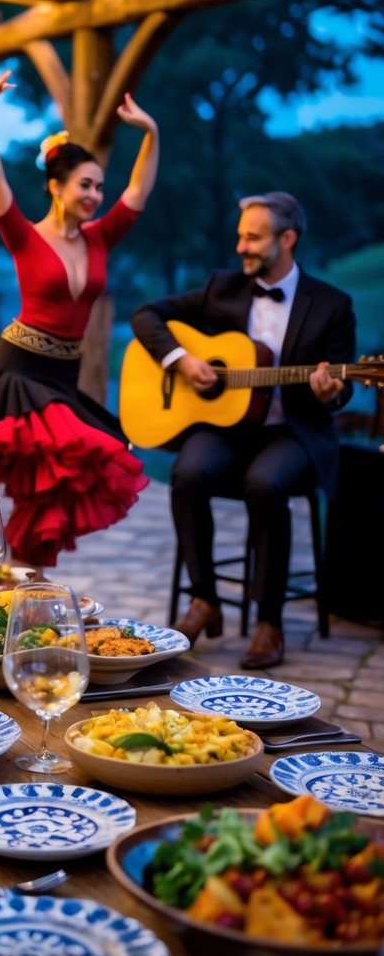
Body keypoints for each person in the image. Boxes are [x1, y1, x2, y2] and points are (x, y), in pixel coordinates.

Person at [0, 69, 159, 570]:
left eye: (98, 186)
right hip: (20, 369)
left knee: (54, 488)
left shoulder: (100, 237)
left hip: (63, 374)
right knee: (42, 480)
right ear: (56, 187)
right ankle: (4, 573)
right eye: (85, 185)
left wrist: (151, 133)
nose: (96, 195)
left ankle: (20, 576)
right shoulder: (25, 236)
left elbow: (139, 191)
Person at [131, 191, 355, 670]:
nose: (241, 247)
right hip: (228, 425)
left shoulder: (332, 305)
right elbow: (146, 315)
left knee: (266, 483)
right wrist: (182, 360)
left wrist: (328, 390)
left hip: (292, 430)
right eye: (240, 236)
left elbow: (340, 392)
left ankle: (269, 621)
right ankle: (204, 598)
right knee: (188, 472)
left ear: (287, 239)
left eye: (253, 238)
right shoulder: (223, 289)